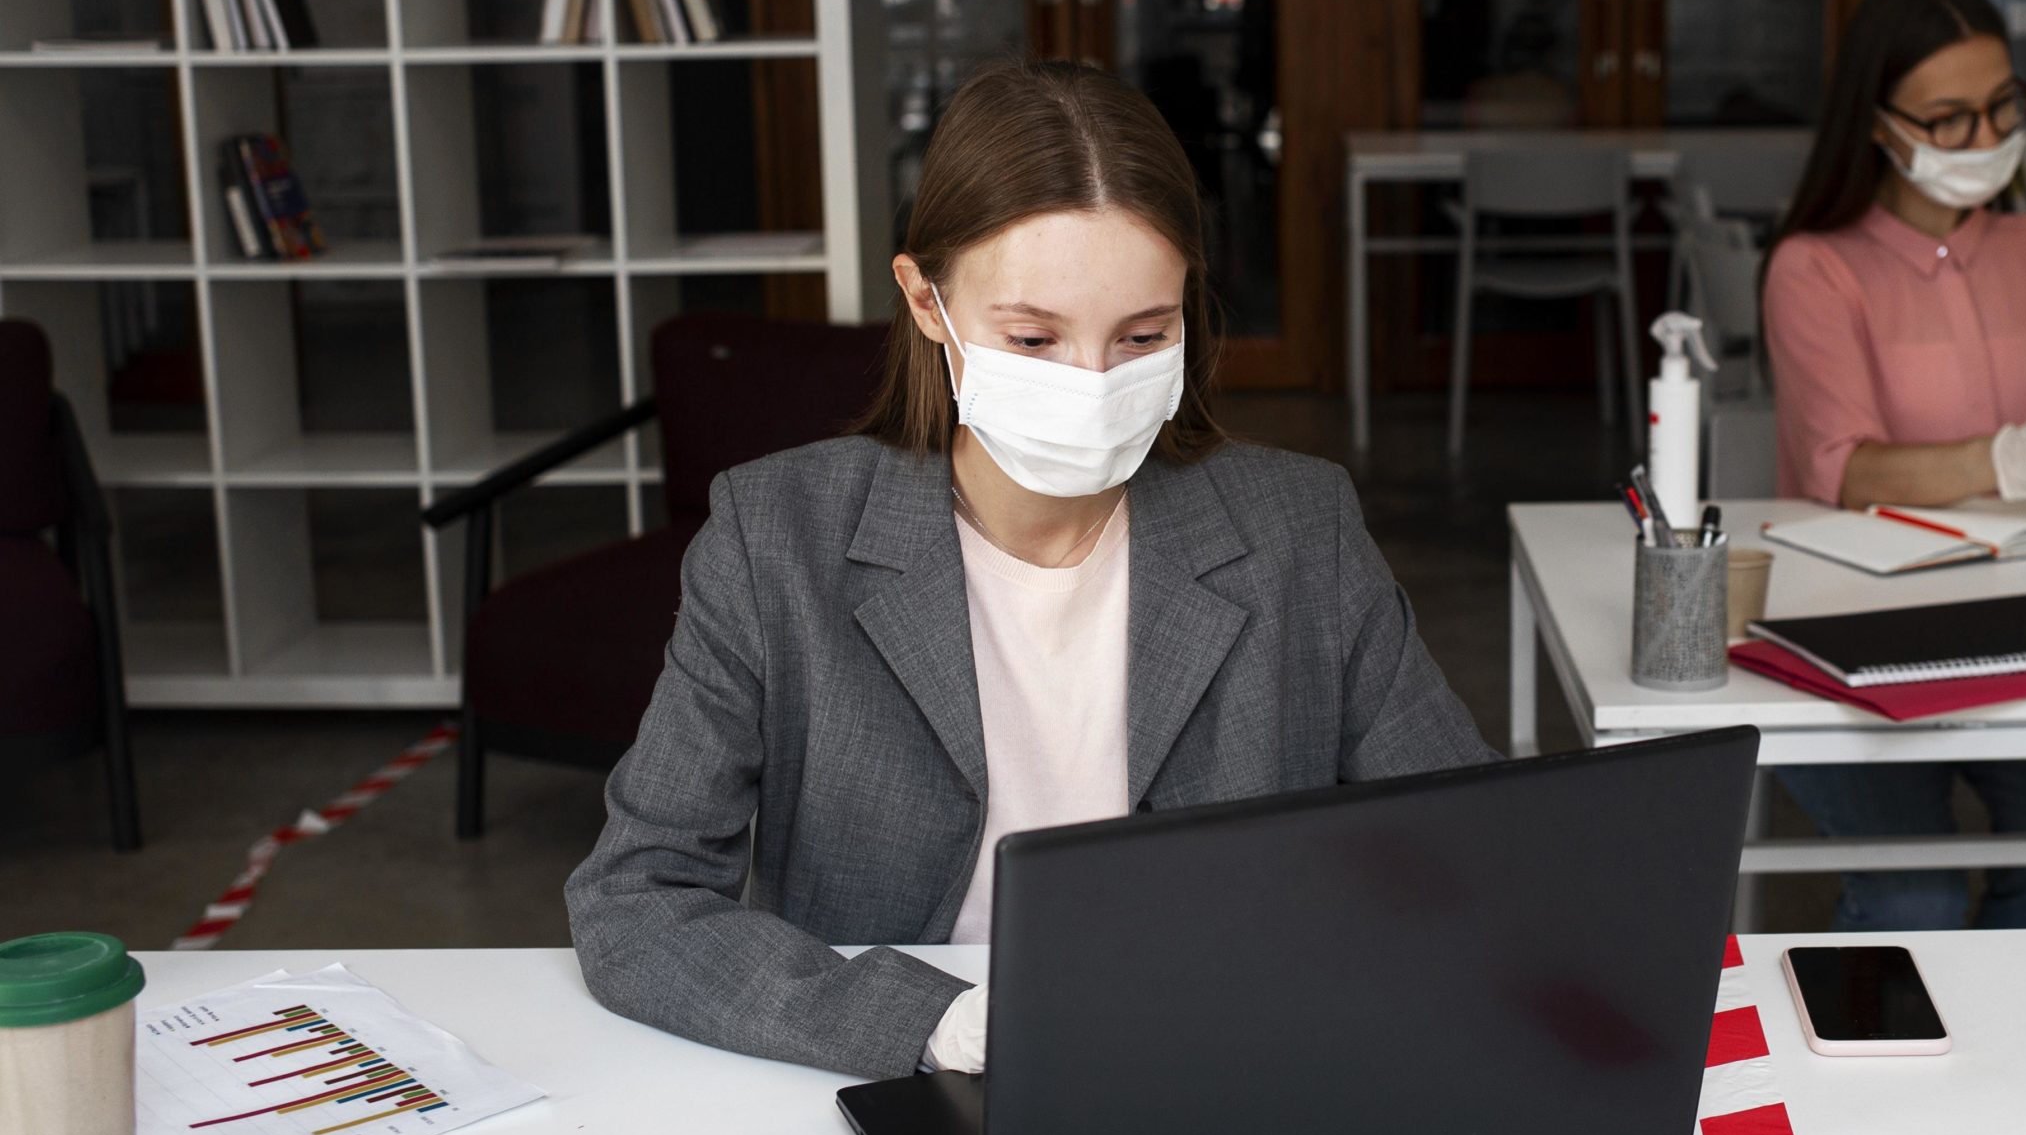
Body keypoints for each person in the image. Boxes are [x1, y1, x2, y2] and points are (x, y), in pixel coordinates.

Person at [565, 62, 1495, 1077]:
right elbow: (637, 899)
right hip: (917, 1082)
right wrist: (932, 1024)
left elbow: (1469, 847)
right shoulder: (776, 537)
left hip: (1230, 1061)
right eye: (1032, 337)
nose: (1091, 385)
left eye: (1143, 335)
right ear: (927, 301)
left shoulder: (1296, 527)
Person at [1759, 0, 2026, 931]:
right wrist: (2015, 460)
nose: (1984, 140)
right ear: (1876, 121)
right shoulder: (1815, 268)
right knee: (1917, 893)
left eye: (2002, 107)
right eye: (1947, 119)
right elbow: (1845, 469)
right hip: (1855, 635)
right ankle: (1909, 1075)